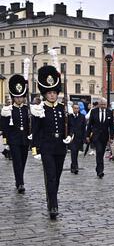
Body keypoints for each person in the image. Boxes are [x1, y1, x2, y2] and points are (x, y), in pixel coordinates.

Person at [31, 65, 73, 219]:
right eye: (49, 93)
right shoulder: (39, 110)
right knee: (51, 176)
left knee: (58, 176)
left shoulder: (63, 109)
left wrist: (71, 136)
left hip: (60, 148)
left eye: (54, 92)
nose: (52, 95)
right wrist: (35, 149)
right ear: (45, 94)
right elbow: (35, 131)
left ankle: (51, 198)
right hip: (47, 147)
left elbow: (71, 127)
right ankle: (53, 206)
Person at [0, 75, 30, 193]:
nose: (19, 99)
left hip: (25, 140)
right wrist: (6, 141)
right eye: (17, 97)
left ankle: (19, 179)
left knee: (23, 162)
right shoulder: (9, 110)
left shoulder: (27, 109)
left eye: (21, 97)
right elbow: (5, 127)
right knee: (17, 161)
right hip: (14, 140)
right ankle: (20, 183)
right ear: (13, 97)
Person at [86, 98, 114, 179]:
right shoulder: (94, 111)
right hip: (96, 136)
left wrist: (111, 137)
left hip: (105, 136)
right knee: (99, 151)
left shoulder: (109, 112)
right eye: (101, 104)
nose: (103, 106)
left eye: (104, 105)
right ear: (99, 104)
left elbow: (111, 126)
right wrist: (87, 135)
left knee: (101, 153)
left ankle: (98, 167)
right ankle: (100, 171)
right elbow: (90, 124)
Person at [68, 103, 86, 174]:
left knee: (76, 153)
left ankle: (73, 166)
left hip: (79, 137)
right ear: (72, 109)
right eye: (75, 108)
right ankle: (75, 167)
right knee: (73, 152)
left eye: (77, 108)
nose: (76, 110)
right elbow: (68, 127)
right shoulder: (69, 117)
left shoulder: (82, 117)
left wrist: (84, 138)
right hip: (72, 137)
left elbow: (84, 128)